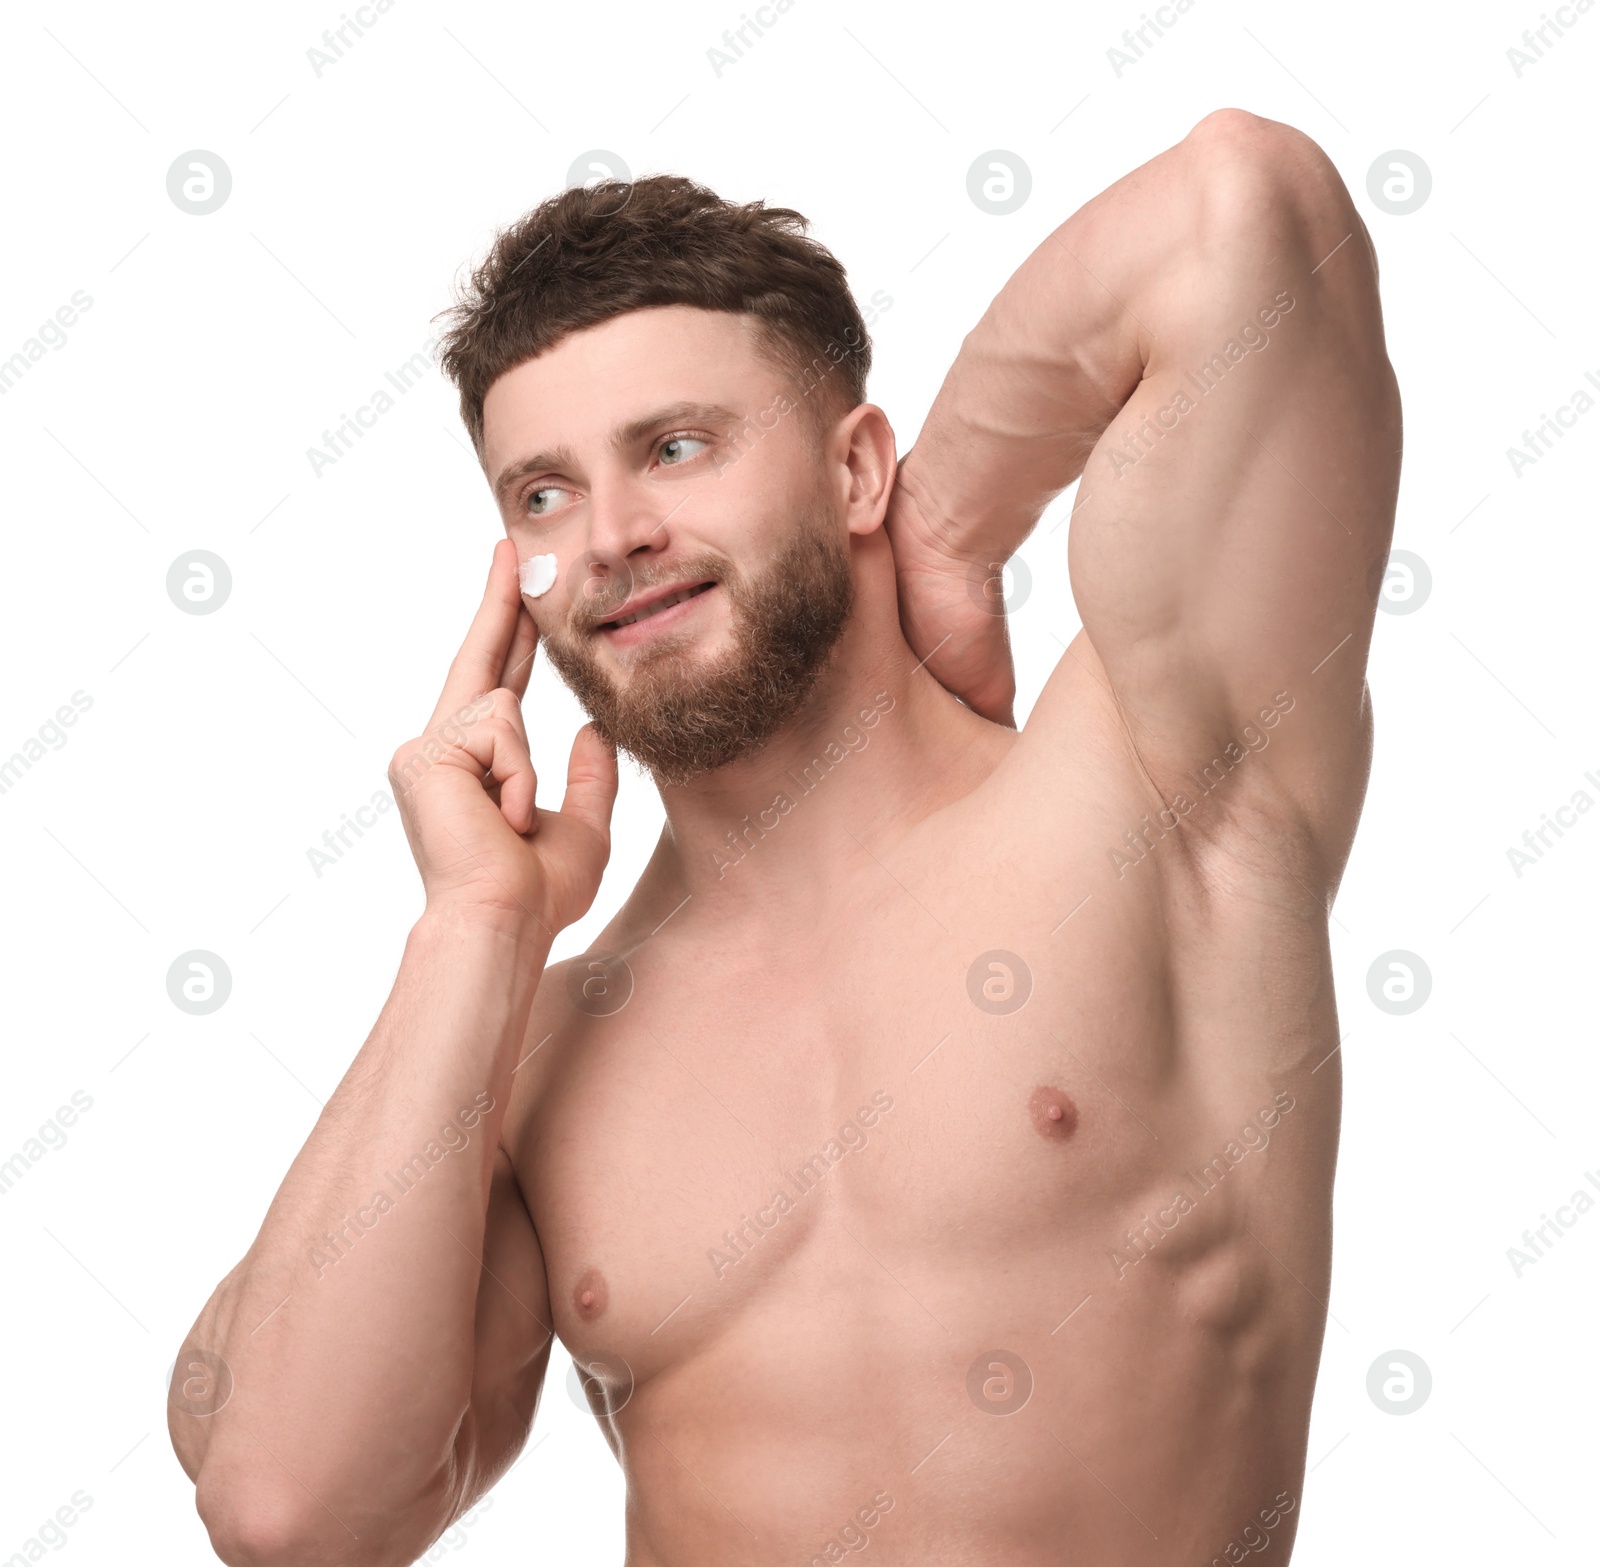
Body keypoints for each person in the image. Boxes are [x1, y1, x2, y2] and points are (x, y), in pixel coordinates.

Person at [168, 107, 1399, 1567]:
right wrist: (475, 934)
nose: (613, 531)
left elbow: (1243, 211)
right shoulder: (538, 1047)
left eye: (676, 447)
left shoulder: (1157, 791)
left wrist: (955, 537)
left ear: (858, 469)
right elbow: (284, 1508)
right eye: (543, 493)